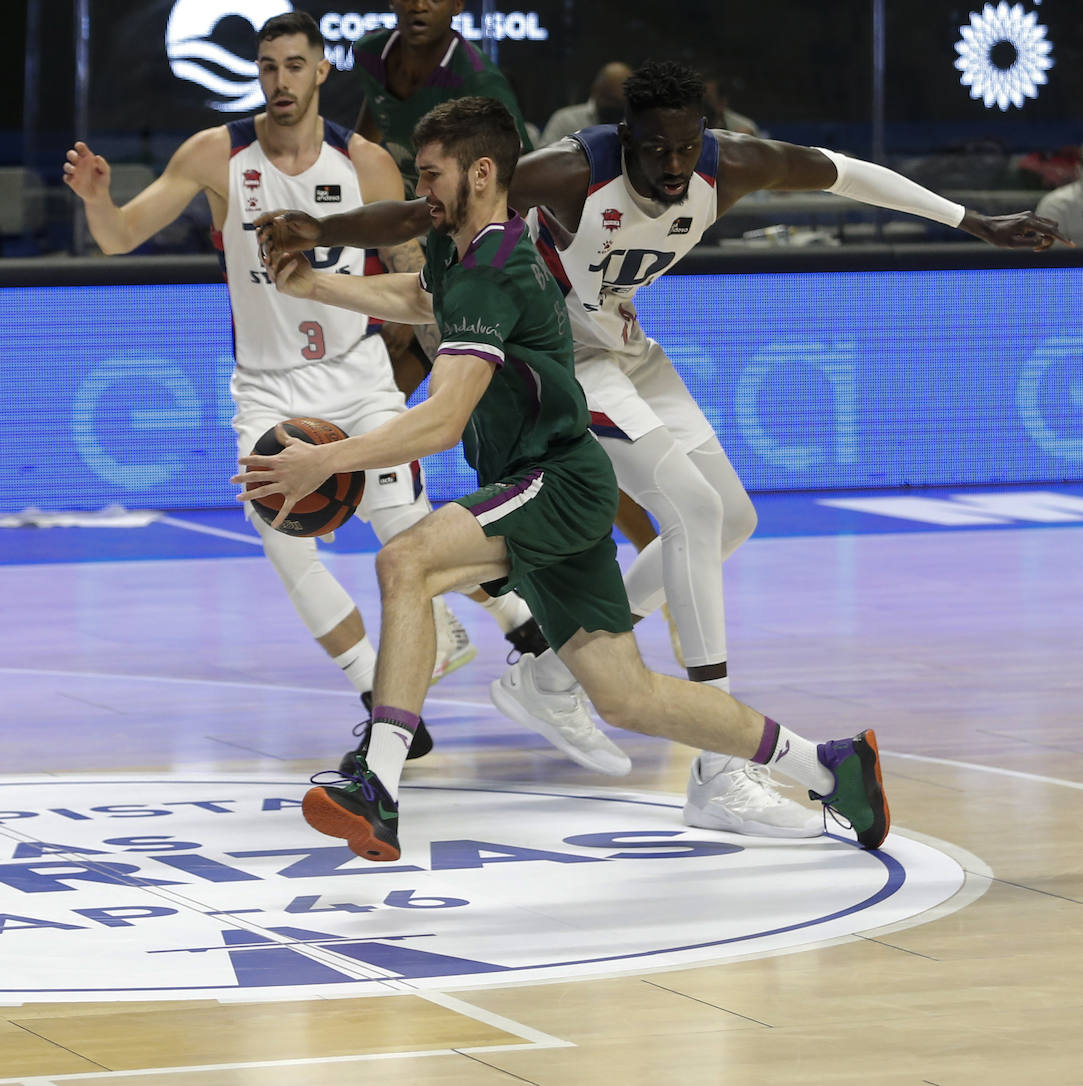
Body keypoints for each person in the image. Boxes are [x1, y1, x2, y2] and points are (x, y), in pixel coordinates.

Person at [255, 60, 1070, 840]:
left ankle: (535, 701)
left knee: (727, 519)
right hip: (567, 359)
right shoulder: (562, 176)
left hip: (604, 367)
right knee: (667, 567)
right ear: (624, 137)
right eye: (654, 148)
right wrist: (322, 245)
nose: (673, 164)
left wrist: (972, 220)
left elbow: (848, 173)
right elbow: (419, 230)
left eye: (686, 146)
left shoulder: (723, 167)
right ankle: (750, 765)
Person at [60, 9, 557, 768]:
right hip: (266, 389)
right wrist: (97, 198)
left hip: (357, 379)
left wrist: (445, 355)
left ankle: (527, 632)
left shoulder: (363, 162)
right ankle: (384, 704)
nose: (279, 80)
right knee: (284, 544)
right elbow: (119, 236)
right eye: (267, 66)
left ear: (321, 72)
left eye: (294, 65)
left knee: (409, 530)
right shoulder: (214, 154)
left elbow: (415, 278)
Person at [353, 0, 536, 401]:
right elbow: (369, 127)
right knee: (372, 379)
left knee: (447, 378)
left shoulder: (478, 80)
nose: (419, 6)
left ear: (456, 6)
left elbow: (519, 176)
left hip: (454, 229)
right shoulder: (371, 52)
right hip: (392, 217)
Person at [538, 62, 633, 148]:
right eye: (611, 99)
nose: (616, 105)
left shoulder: (633, 123)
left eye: (623, 101)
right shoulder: (565, 121)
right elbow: (543, 160)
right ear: (595, 90)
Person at [702, 72, 762, 137]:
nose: (701, 104)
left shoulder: (745, 130)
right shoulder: (691, 126)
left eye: (707, 99)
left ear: (722, 102)